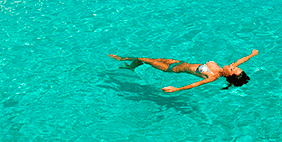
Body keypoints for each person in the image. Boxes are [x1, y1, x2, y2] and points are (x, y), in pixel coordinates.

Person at [108, 50, 258, 93]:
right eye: (233, 66)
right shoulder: (222, 69)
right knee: (147, 58)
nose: (231, 65)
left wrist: (176, 89)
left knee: (143, 58)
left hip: (170, 69)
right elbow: (240, 61)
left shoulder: (213, 76)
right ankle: (131, 67)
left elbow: (195, 84)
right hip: (179, 62)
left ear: (229, 74)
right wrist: (251, 55)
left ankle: (121, 60)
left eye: (232, 68)